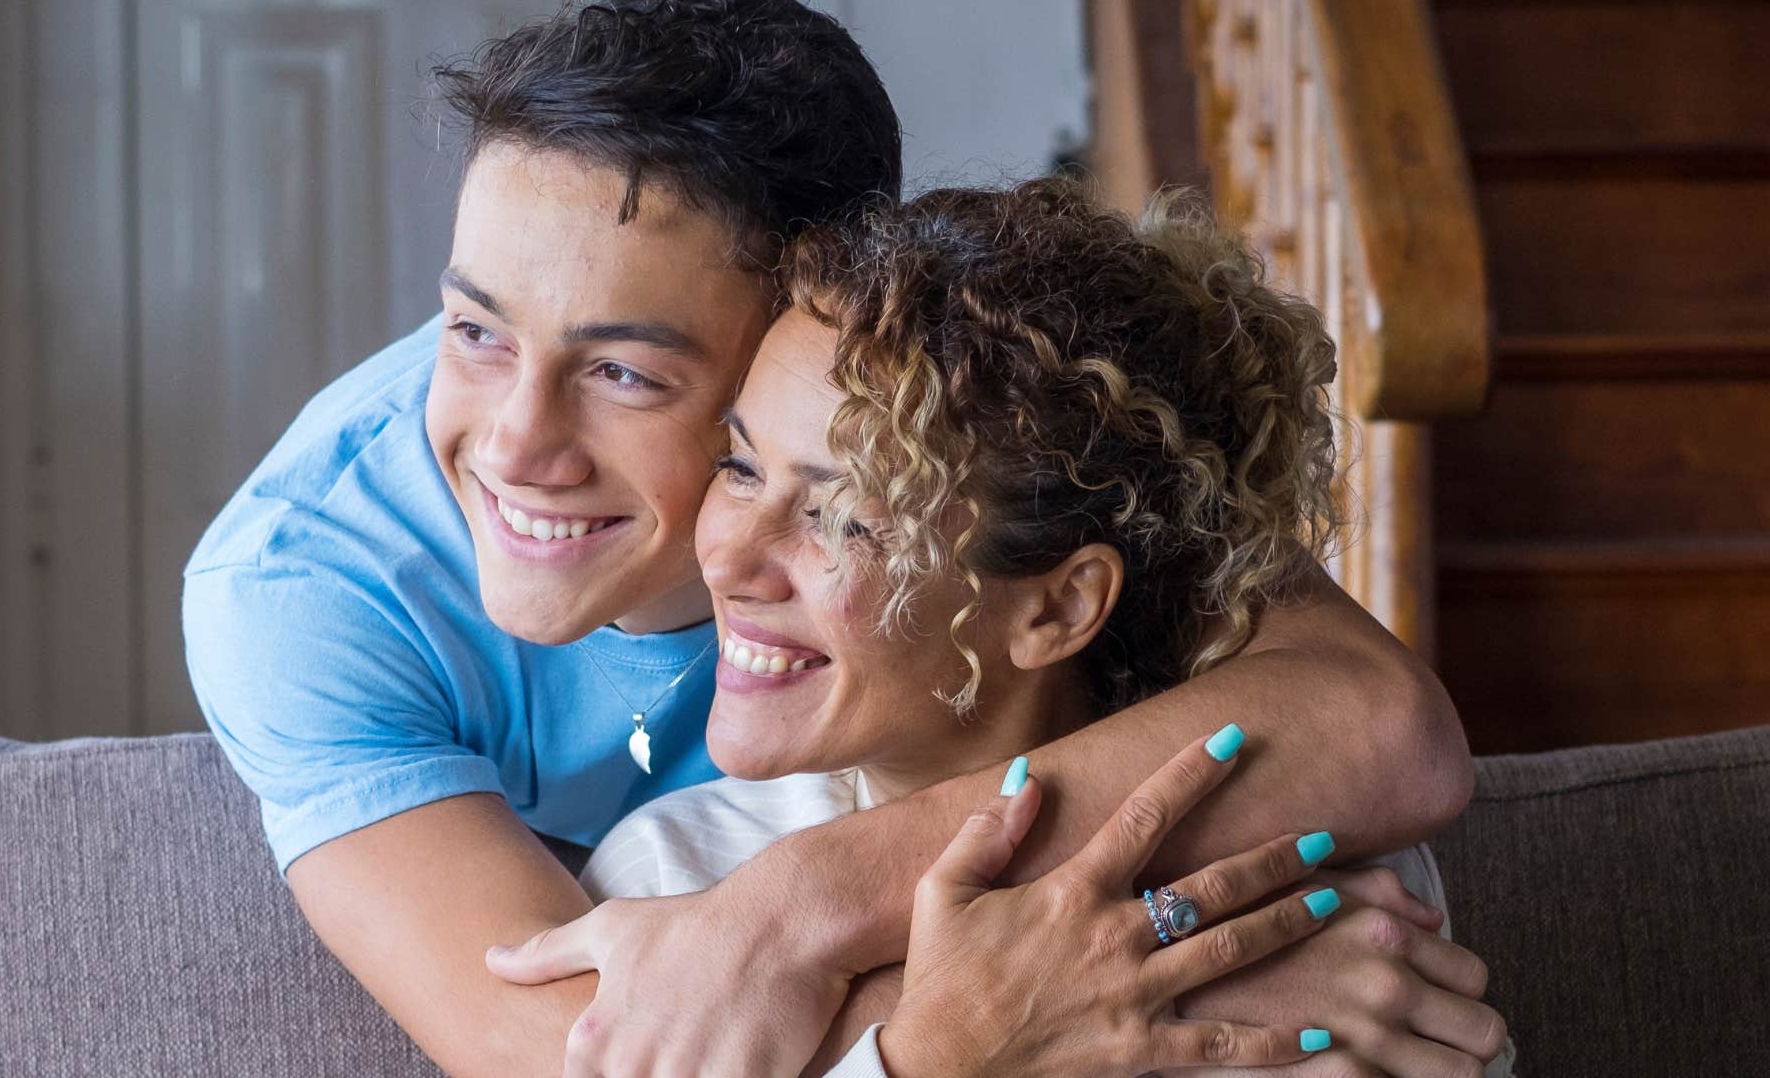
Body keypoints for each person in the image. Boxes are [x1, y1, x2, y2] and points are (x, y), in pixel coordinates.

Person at [183, 1, 1475, 1074]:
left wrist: (800, 910)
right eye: (474, 328)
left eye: (628, 373)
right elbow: (590, 1053)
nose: (516, 444)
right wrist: (1083, 1000)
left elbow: (1378, 722)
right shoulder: (304, 588)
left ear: (828, 327)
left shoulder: (978, 446)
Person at [504, 181, 1511, 1076]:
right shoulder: (675, 882)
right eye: (741, 466)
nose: (725, 559)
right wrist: (949, 1043)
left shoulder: (1303, 871)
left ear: (1057, 606)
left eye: (844, 518)